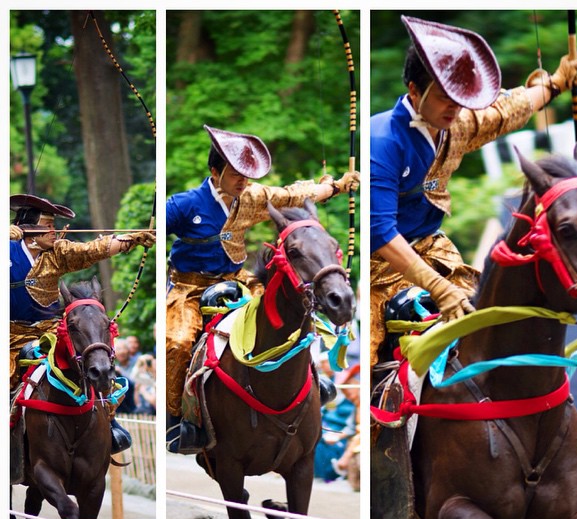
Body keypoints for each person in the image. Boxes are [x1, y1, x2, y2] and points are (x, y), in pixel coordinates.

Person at [370, 16, 577, 368]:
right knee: (370, 367)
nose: (455, 109)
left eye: (460, 100)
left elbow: (505, 111)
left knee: (492, 323)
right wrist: (439, 290)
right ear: (414, 90)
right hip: (379, 268)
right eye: (445, 99)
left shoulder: (454, 122)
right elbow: (379, 232)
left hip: (434, 252)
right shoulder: (381, 141)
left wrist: (556, 84)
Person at [166, 125, 359, 452]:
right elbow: (156, 229)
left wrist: (336, 187)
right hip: (191, 288)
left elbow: (293, 194)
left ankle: (314, 379)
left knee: (291, 310)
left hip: (238, 282)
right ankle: (178, 421)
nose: (243, 181)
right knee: (179, 341)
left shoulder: (252, 197)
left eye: (246, 175)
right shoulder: (184, 205)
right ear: (215, 172)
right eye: (235, 174)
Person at [9, 193, 156, 453]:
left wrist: (132, 238)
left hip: (52, 332)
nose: (55, 231)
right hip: (9, 335)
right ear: (28, 229)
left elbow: (93, 249)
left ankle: (108, 422)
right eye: (48, 224)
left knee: (91, 361)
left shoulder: (57, 253)